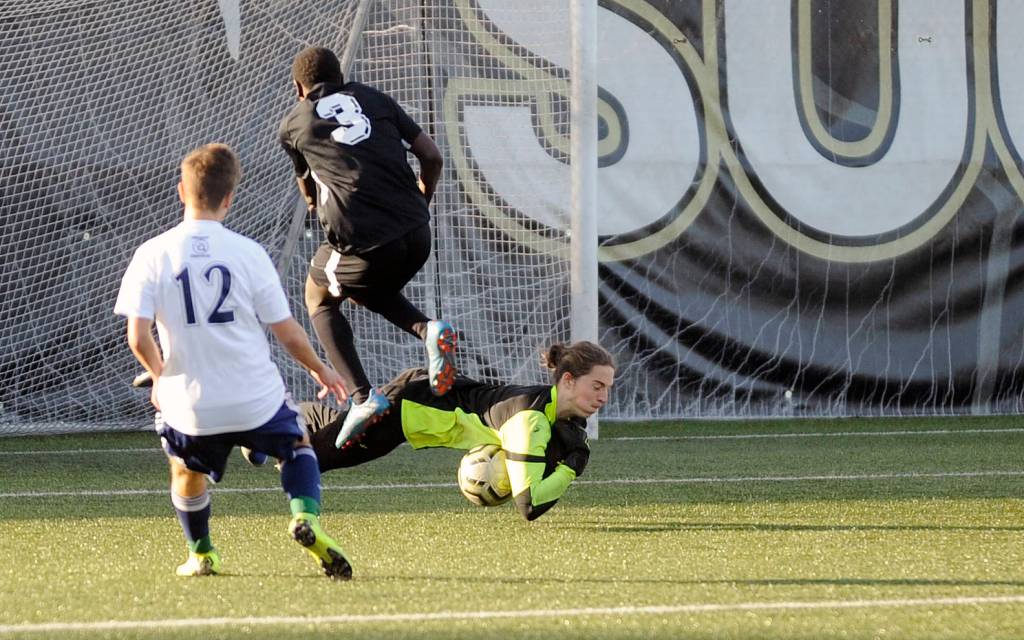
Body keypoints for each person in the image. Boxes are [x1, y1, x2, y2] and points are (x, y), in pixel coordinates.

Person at [114, 143, 354, 579]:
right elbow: (286, 331)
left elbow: (138, 337)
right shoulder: (248, 253)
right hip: (254, 398)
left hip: (191, 406)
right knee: (298, 444)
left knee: (185, 470)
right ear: (229, 198)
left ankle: (202, 554)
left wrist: (159, 380)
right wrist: (321, 369)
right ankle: (305, 518)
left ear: (181, 191)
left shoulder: (152, 253)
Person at [277, 45, 454, 449]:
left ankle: (362, 396)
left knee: (318, 296)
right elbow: (432, 156)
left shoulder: (293, 122)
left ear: (297, 88)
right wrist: (419, 203)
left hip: (366, 238)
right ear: (342, 78)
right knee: (362, 288)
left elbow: (307, 186)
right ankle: (428, 330)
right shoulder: (375, 97)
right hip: (417, 233)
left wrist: (316, 204)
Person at [297, 341, 615, 521]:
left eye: (608, 388)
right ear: (569, 380)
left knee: (329, 437)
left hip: (419, 396)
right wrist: (573, 467)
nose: (603, 397)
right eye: (597, 386)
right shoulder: (531, 421)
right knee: (309, 459)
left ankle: (297, 414)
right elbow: (529, 504)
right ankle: (259, 427)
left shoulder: (555, 411)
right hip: (402, 411)